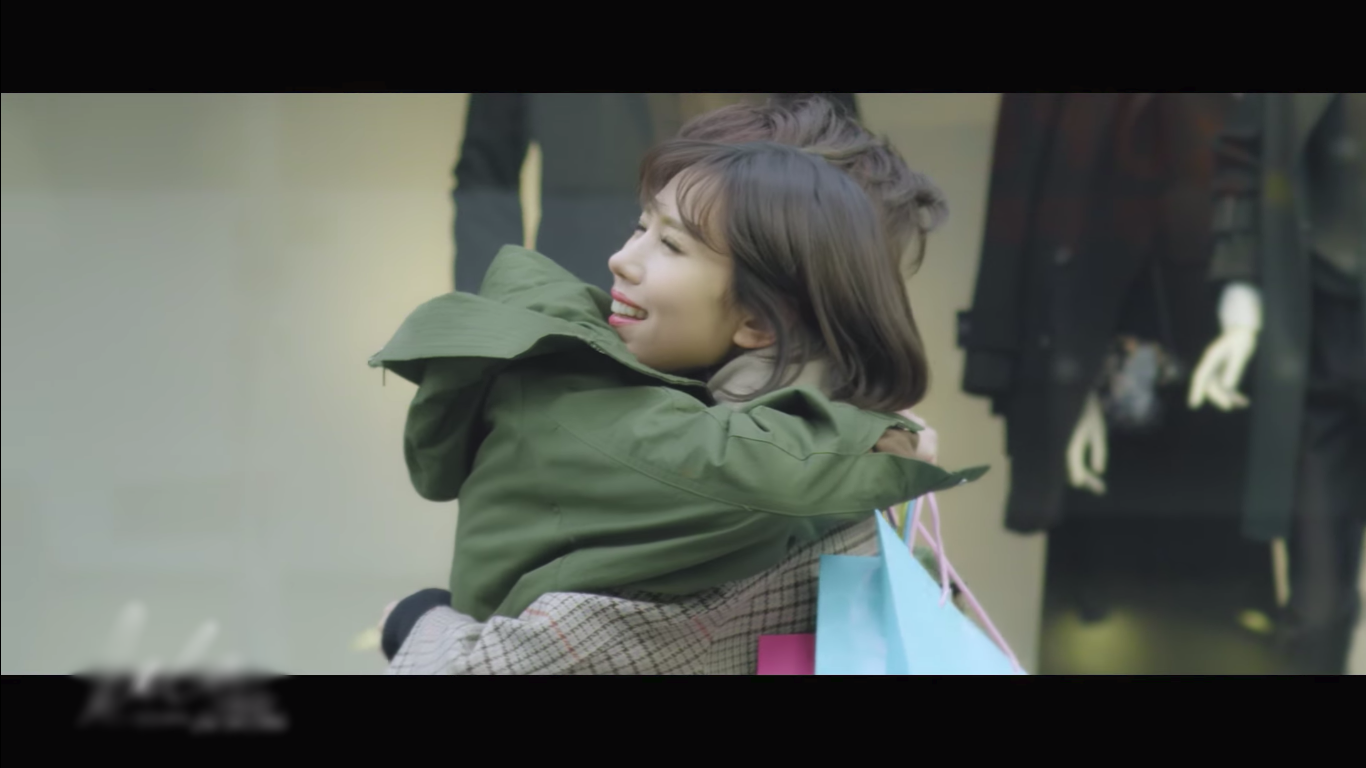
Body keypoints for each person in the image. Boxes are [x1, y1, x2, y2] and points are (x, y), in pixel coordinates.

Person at [371, 97, 979, 674]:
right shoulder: (798, 482)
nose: (622, 258)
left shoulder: (749, 501)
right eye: (641, 226)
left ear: (760, 321)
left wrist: (415, 620)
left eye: (669, 243)